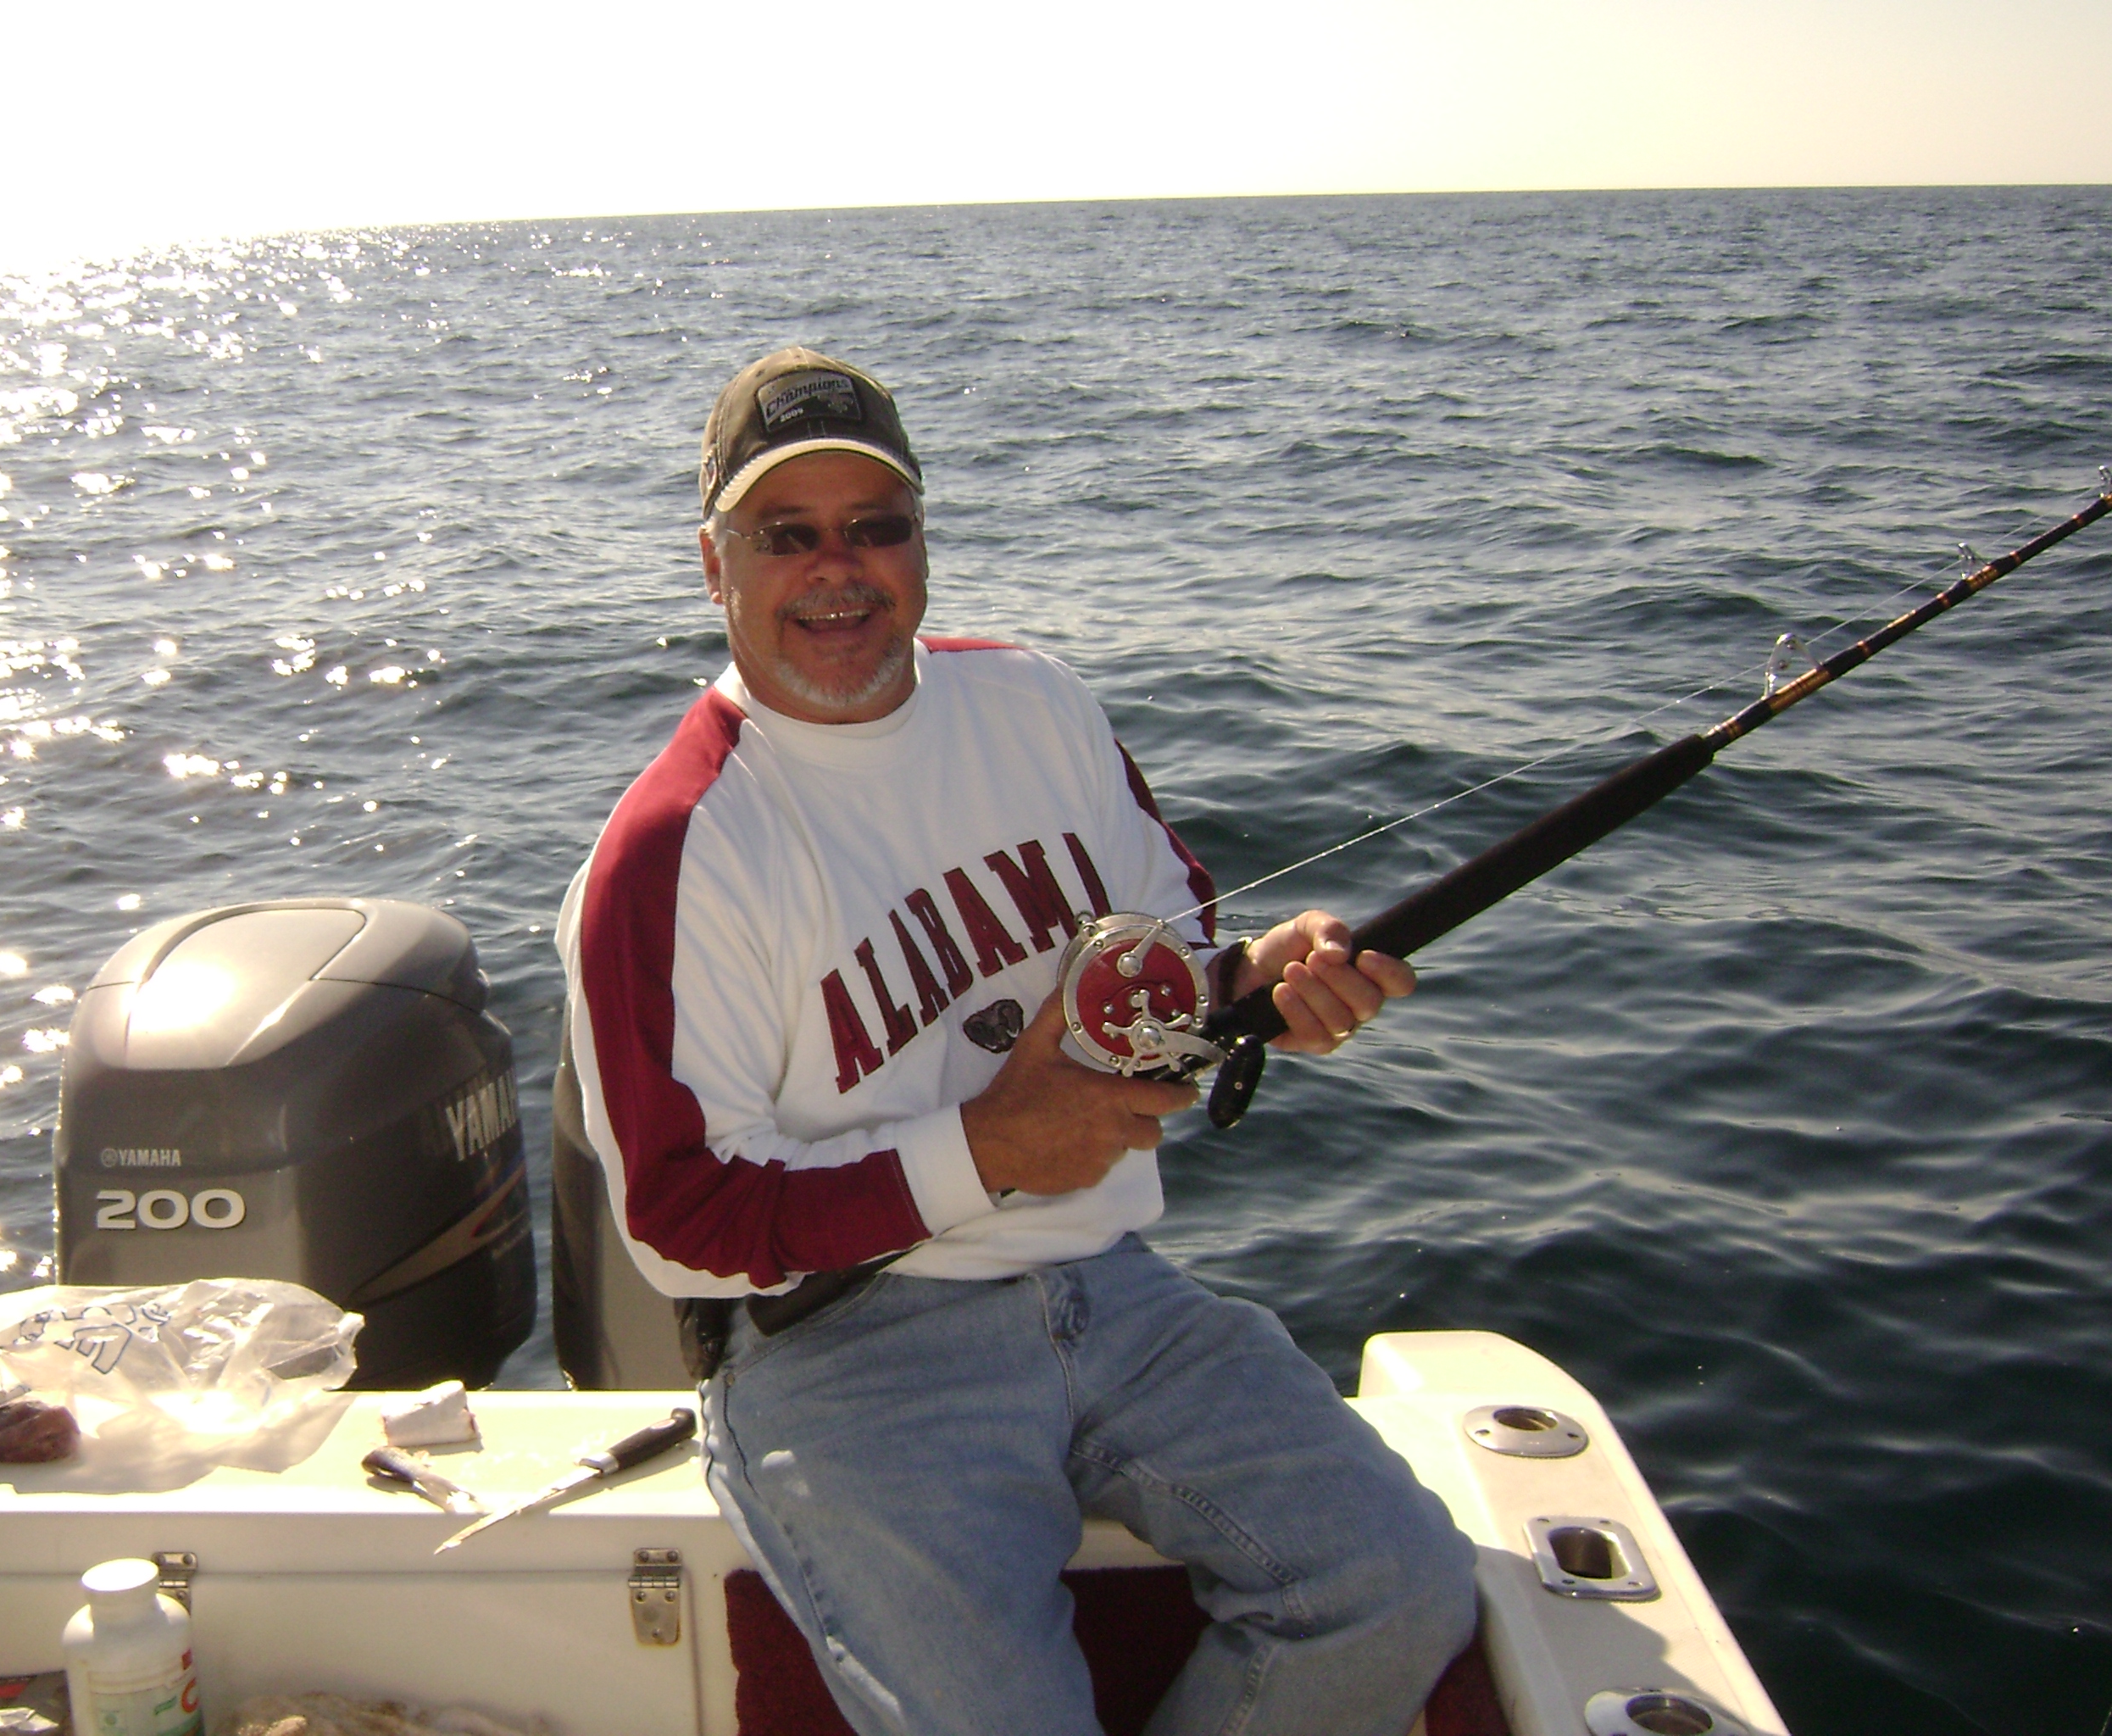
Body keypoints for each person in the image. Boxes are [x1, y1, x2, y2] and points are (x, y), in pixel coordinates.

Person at [555, 347, 1475, 1736]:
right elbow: (682, 1222)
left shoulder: (1037, 703)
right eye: (786, 534)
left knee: (1399, 1586)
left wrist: (1255, 989)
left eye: (876, 525)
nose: (838, 570)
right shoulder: (674, 851)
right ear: (713, 565)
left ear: (923, 539)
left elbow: (1159, 977)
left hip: (1110, 1285)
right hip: (845, 1352)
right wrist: (988, 1150)